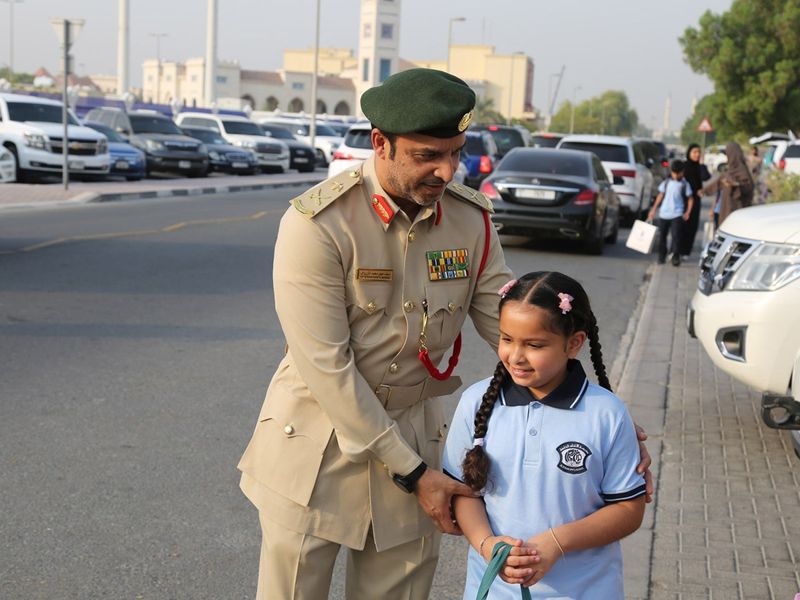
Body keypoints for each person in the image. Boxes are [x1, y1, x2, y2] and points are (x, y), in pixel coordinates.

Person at [237, 68, 653, 600]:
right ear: (380, 143)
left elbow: (515, 323)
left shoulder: (467, 219)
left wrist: (609, 419)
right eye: (427, 154)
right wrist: (414, 473)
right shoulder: (319, 224)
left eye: (456, 152)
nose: (446, 169)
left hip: (416, 440)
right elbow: (326, 367)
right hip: (318, 447)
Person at [442, 272, 647, 599]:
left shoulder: (607, 413)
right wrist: (486, 544)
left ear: (574, 343)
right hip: (494, 590)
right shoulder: (476, 402)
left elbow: (628, 510)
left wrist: (556, 542)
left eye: (534, 345)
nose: (516, 356)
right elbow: (463, 491)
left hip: (586, 590)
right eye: (507, 339)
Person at [648, 159, 694, 266]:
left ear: (683, 172)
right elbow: (660, 196)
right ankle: (661, 256)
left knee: (676, 237)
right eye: (675, 173)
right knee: (662, 237)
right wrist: (653, 209)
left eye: (679, 173)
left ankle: (675, 256)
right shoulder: (666, 182)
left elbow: (690, 199)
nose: (677, 175)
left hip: (677, 214)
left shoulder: (685, 184)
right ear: (672, 172)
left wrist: (688, 212)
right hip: (664, 214)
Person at [703, 142, 754, 225]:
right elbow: (718, 184)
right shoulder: (729, 170)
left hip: (735, 210)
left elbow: (748, 187)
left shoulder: (742, 171)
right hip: (723, 209)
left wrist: (735, 185)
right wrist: (704, 191)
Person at [678, 144, 711, 258]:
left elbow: (705, 177)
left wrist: (701, 164)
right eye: (694, 152)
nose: (697, 155)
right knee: (681, 225)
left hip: (695, 201)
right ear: (689, 153)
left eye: (699, 152)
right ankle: (677, 250)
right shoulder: (684, 166)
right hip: (683, 200)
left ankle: (686, 251)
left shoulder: (699, 167)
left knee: (692, 226)